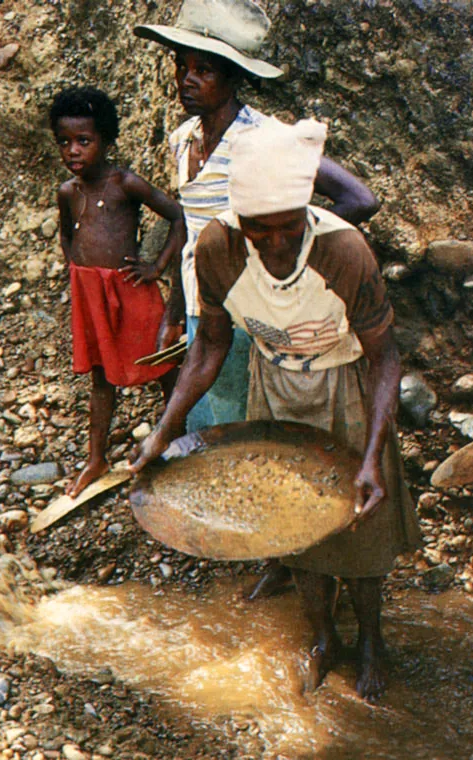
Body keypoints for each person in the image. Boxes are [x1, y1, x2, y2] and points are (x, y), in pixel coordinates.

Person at [128, 117, 420, 702]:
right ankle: (322, 637)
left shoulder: (343, 249)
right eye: (261, 232)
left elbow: (386, 359)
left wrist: (370, 458)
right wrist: (164, 432)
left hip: (345, 383)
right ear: (240, 221)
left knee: (359, 528)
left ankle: (370, 639)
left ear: (307, 212)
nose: (277, 243)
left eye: (289, 228)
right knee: (288, 525)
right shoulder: (217, 248)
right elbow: (210, 344)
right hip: (275, 384)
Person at [133, 0, 380, 434]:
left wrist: (283, 254)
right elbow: (191, 234)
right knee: (204, 415)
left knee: (238, 421)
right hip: (200, 304)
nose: (185, 80)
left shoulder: (264, 139)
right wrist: (173, 312)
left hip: (244, 311)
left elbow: (359, 199)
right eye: (181, 66)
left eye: (204, 70)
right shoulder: (183, 139)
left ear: (233, 78)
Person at [50, 86, 186, 497]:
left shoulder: (125, 183)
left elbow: (179, 216)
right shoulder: (68, 192)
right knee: (101, 378)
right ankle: (96, 458)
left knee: (163, 365)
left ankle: (179, 440)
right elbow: (66, 236)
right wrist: (82, 275)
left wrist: (157, 266)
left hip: (131, 289)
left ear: (106, 141)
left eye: (84, 141)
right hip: (92, 293)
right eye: (65, 142)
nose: (73, 151)